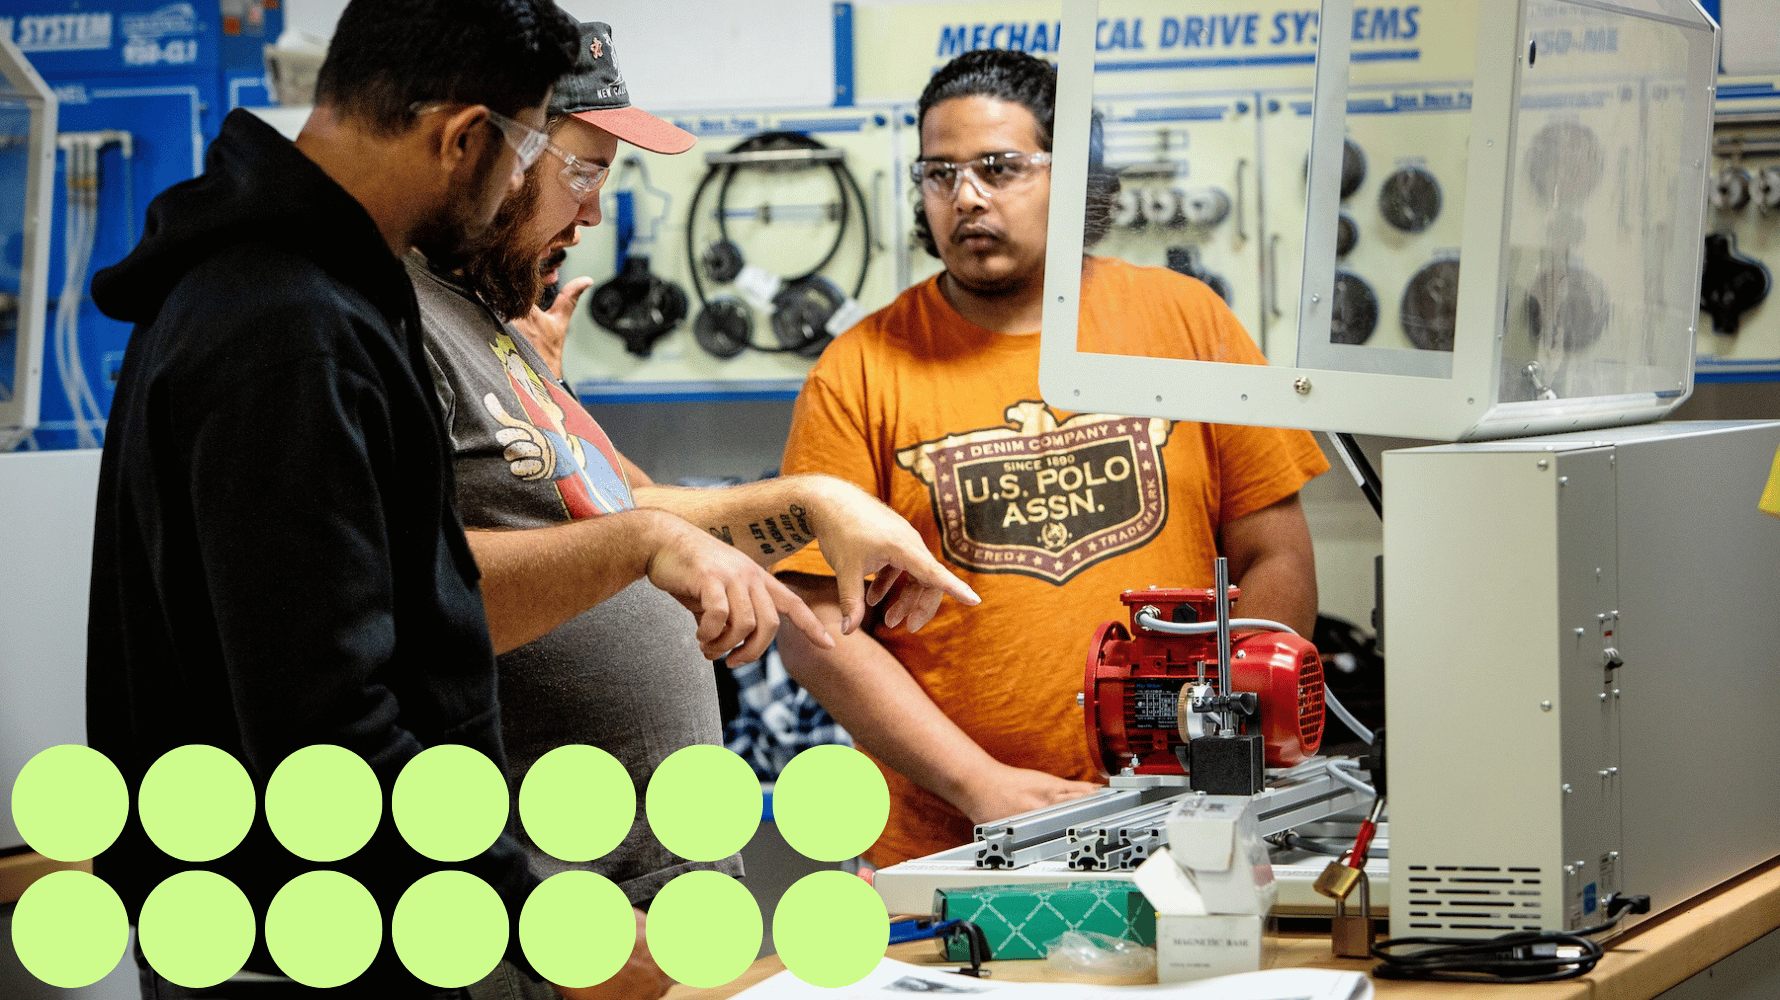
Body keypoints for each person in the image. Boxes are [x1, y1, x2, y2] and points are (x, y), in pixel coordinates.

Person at [406, 22, 980, 998]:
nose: (590, 215)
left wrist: (810, 507)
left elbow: (633, 506)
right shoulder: (391, 324)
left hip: (650, 889)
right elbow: (406, 598)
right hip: (557, 903)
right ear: (500, 156)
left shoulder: (492, 325)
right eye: (583, 172)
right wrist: (540, 899)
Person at [82, 2, 630, 996]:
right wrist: (537, 915)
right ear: (464, 136)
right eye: (523, 154)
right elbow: (325, 722)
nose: (524, 188)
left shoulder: (298, 292)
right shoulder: (290, 331)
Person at [772, 48, 1331, 868]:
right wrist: (980, 783)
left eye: (999, 167)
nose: (965, 196)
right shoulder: (860, 368)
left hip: (1185, 820)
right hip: (950, 846)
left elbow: (1274, 554)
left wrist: (1221, 744)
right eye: (939, 173)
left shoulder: (1186, 323)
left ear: (1074, 179)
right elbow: (816, 621)